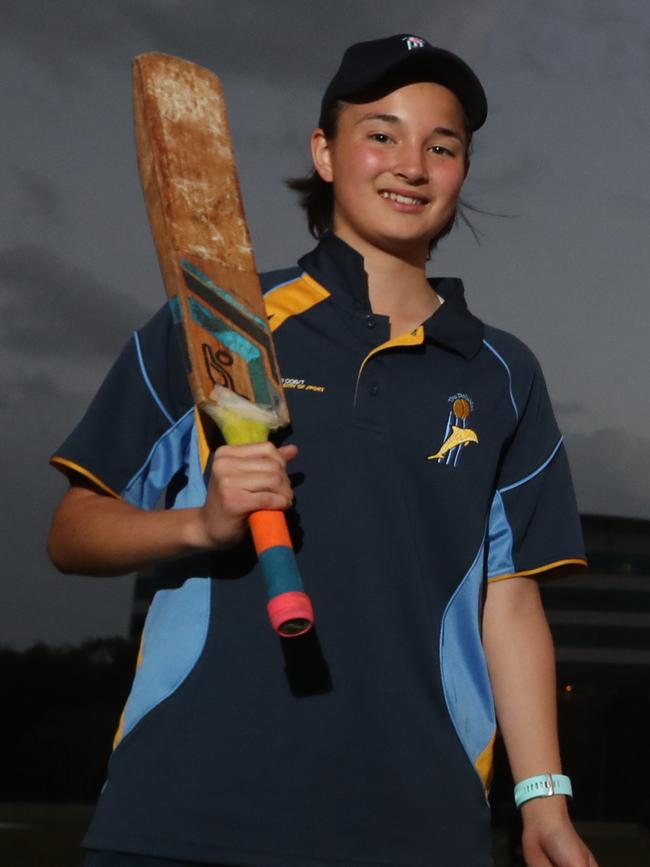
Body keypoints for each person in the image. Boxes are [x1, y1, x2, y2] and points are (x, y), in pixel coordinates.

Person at [48, 34, 598, 867]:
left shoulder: (502, 374)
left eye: (440, 146)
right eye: (381, 133)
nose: (411, 163)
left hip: (417, 826)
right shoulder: (219, 318)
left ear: (462, 173)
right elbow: (74, 531)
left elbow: (510, 601)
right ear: (325, 153)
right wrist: (200, 524)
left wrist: (542, 800)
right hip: (185, 812)